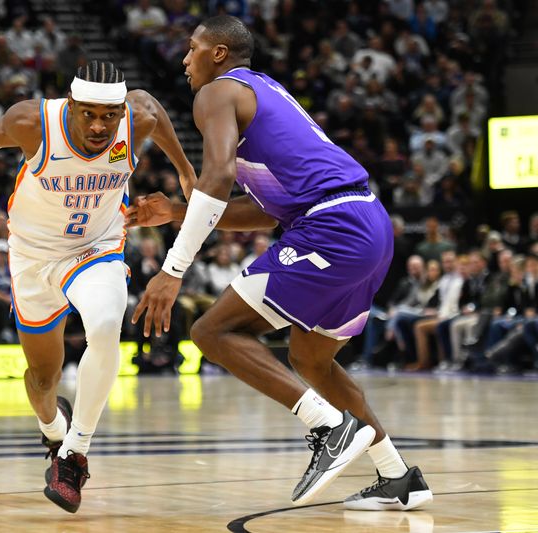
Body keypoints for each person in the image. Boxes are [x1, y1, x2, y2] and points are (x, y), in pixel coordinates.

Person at [129, 16, 432, 510]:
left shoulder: (216, 94)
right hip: (366, 222)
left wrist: (172, 270)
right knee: (311, 359)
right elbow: (266, 212)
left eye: (193, 49)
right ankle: (398, 476)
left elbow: (219, 176)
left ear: (219, 53)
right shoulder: (264, 91)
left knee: (211, 333)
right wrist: (178, 212)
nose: (185, 60)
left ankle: (330, 427)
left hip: (333, 228)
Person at [0, 60, 195, 513]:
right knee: (43, 378)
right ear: (70, 104)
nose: (101, 125)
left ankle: (75, 454)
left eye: (110, 115)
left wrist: (184, 169)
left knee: (104, 324)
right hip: (33, 256)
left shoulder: (135, 115)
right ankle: (52, 431)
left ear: (122, 110)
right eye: (89, 114)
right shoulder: (33, 122)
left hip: (97, 246)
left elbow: (156, 112)